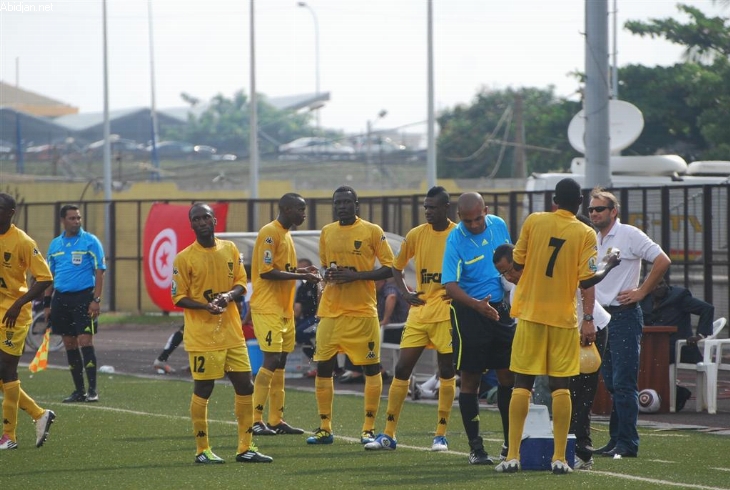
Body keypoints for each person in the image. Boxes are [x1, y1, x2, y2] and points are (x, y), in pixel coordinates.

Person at [495, 178, 608, 475]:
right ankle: (560, 457)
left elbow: (517, 260)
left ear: (555, 199)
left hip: (531, 313)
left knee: (523, 384)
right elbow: (587, 279)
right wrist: (610, 265)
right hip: (563, 318)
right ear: (580, 202)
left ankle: (513, 456)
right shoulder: (586, 232)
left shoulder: (534, 220)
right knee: (561, 387)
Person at [171, 202, 272, 464]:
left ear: (215, 220)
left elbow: (241, 283)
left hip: (232, 333)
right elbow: (178, 297)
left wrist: (227, 297)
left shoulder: (230, 248)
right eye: (197, 218)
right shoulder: (184, 258)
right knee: (204, 388)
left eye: (206, 217)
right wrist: (205, 305)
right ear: (191, 224)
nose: (202, 222)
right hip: (203, 337)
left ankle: (245, 448)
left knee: (245, 386)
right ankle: (202, 450)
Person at [364, 186, 458, 452]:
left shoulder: (458, 234)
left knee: (447, 370)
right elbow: (396, 266)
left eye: (433, 207)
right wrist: (405, 293)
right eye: (426, 206)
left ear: (446, 208)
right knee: (403, 368)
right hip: (420, 311)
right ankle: (388, 434)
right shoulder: (416, 234)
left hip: (446, 313)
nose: (428, 211)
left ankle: (441, 434)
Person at [306, 185, 395, 446]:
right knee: (324, 367)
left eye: (347, 202)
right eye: (338, 203)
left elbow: (390, 267)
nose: (342, 206)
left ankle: (368, 428)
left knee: (370, 367)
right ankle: (324, 428)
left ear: (356, 205)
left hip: (362, 312)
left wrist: (356, 275)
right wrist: (329, 274)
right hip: (331, 311)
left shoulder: (372, 231)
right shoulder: (327, 232)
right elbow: (325, 265)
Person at [589, 187, 671, 459]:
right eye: (590, 209)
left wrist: (642, 292)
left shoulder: (629, 234)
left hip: (623, 314)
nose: (594, 213)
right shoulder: (592, 238)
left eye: (599, 209)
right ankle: (616, 440)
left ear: (613, 212)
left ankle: (628, 443)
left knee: (623, 383)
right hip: (601, 316)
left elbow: (662, 260)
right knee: (612, 382)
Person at [441, 192, 513, 465]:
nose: (473, 224)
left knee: (508, 375)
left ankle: (510, 443)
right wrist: (475, 305)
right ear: (460, 217)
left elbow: (510, 260)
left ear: (486, 210)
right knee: (471, 379)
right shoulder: (455, 240)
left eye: (478, 218)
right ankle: (476, 447)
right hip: (469, 312)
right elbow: (450, 286)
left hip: (500, 310)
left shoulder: (499, 224)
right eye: (468, 220)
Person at [249, 193, 321, 437]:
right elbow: (267, 271)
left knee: (279, 363)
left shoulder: (286, 234)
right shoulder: (269, 232)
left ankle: (276, 419)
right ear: (286, 208)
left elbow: (284, 268)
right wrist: (303, 277)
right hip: (268, 307)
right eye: (300, 209)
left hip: (284, 309)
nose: (303, 214)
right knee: (270, 360)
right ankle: (255, 419)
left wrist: (302, 270)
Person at [0, 193, 56, 450]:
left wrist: (18, 304)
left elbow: (45, 279)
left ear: (11, 212)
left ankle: (9, 436)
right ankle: (38, 414)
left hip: (13, 316)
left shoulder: (22, 241)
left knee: (6, 371)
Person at [45, 204, 106, 403]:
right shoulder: (55, 245)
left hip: (83, 297)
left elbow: (99, 270)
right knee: (69, 344)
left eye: (78, 218)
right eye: (72, 218)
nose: (76, 221)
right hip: (61, 299)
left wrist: (96, 300)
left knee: (85, 341)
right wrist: (47, 304)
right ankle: (79, 391)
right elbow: (49, 275)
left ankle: (93, 390)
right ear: (63, 220)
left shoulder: (90, 241)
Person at [339, 277, 409, 383]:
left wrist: (385, 319)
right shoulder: (377, 293)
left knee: (359, 338)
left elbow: (392, 297)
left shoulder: (388, 288)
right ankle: (371, 370)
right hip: (385, 330)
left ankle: (363, 371)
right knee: (354, 335)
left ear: (380, 281)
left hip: (396, 330)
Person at [640, 278, 714, 364]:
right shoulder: (644, 300)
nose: (659, 287)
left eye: (661, 283)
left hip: (677, 346)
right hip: (653, 344)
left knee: (648, 356)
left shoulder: (678, 296)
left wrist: (700, 335)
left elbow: (707, 309)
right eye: (655, 285)